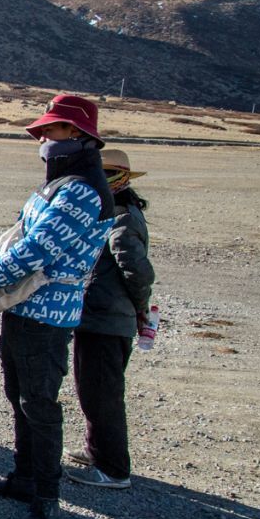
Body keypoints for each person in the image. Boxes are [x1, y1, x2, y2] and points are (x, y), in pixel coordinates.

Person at [0, 94, 114, 519]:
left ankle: (46, 499)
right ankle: (25, 478)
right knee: (20, 396)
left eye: (51, 130)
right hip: (24, 310)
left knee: (39, 405)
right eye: (40, 131)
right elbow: (21, 235)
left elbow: (35, 251)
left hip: (47, 318)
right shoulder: (63, 182)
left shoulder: (79, 190)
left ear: (77, 134)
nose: (41, 138)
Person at [66, 149, 155, 490]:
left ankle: (114, 469)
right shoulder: (114, 211)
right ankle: (97, 451)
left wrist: (140, 307)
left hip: (106, 317)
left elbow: (137, 271)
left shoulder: (120, 217)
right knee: (92, 388)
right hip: (99, 315)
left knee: (102, 392)